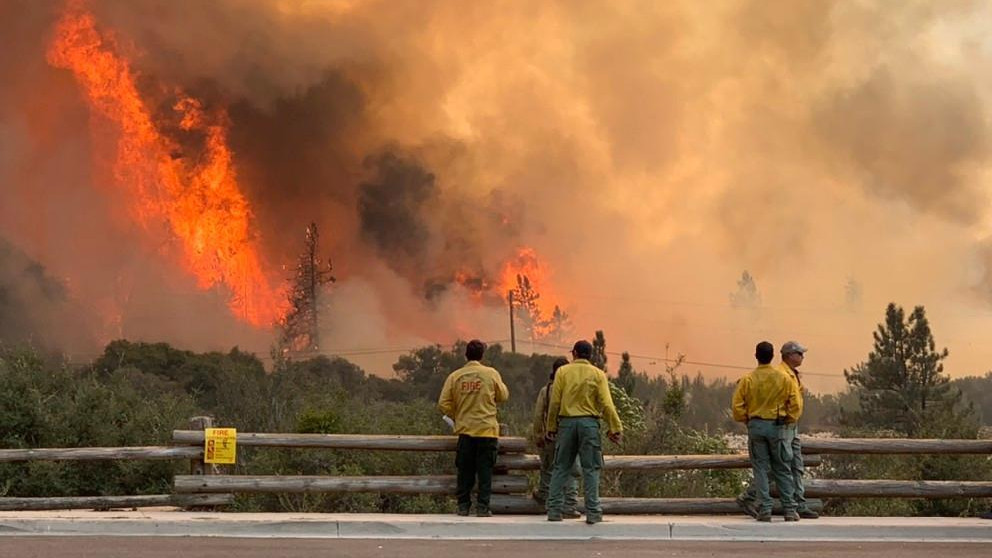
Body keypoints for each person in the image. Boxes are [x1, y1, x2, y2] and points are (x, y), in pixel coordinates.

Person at [737, 341, 819, 519]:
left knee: (760, 468)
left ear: (756, 356)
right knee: (782, 467)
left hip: (756, 426)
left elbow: (737, 407)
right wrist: (789, 420)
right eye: (799, 353)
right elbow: (795, 403)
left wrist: (748, 421)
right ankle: (790, 509)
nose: (802, 357)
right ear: (774, 356)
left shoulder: (747, 379)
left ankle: (765, 508)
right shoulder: (783, 377)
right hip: (778, 426)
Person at [545, 340, 623, 524]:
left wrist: (551, 426)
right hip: (589, 424)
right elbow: (606, 403)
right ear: (591, 355)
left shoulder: (562, 372)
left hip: (566, 424)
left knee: (561, 467)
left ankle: (554, 510)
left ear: (574, 354)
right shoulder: (598, 374)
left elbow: (555, 402)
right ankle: (593, 512)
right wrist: (615, 427)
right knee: (591, 469)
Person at [438, 339, 509, 517]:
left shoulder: (455, 376)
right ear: (482, 355)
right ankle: (483, 508)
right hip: (487, 431)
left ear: (466, 355)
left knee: (465, 471)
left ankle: (463, 506)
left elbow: (443, 403)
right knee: (485, 471)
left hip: (465, 431)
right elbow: (503, 396)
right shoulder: (491, 374)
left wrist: (458, 413)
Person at [530, 357, 581, 517]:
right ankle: (570, 505)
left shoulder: (546, 391)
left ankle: (545, 499)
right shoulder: (572, 390)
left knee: (548, 468)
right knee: (571, 470)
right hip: (570, 435)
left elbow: (538, 416)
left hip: (550, 437)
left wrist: (538, 435)